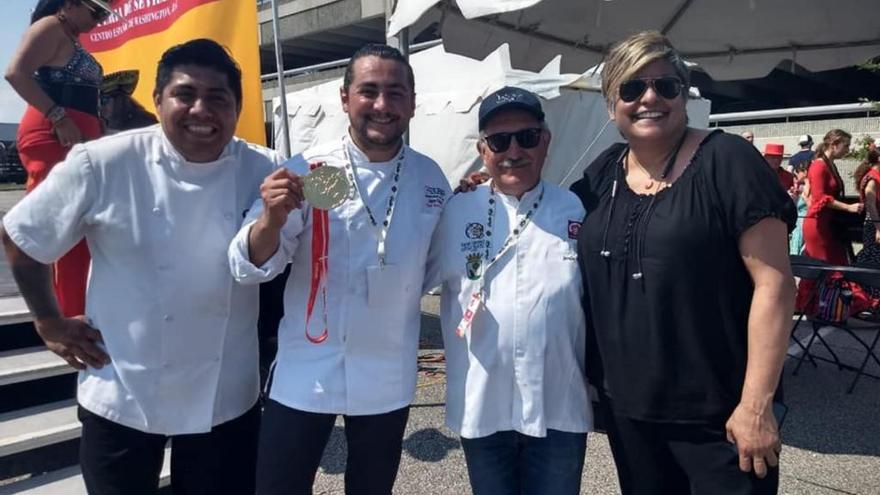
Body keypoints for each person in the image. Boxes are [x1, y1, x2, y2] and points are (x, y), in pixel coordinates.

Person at [1, 39, 278, 495]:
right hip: (122, 391)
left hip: (225, 393)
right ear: (158, 99)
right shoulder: (103, 162)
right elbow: (19, 236)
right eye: (185, 95)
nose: (200, 110)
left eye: (217, 98)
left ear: (238, 106)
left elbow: (323, 208)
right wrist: (48, 320)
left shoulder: (262, 167)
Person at [571, 31, 796, 494]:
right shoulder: (602, 174)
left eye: (666, 85)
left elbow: (775, 286)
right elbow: (545, 218)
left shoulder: (727, 160)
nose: (649, 97)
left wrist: (756, 405)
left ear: (685, 94)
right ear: (612, 104)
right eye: (632, 88)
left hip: (720, 418)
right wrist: (487, 191)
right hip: (629, 413)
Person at [228, 44, 451, 495]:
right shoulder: (306, 170)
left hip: (387, 372)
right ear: (344, 97)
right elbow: (248, 265)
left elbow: (431, 268)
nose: (382, 106)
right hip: (305, 370)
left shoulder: (432, 180)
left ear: (412, 101)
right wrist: (270, 219)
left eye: (395, 93)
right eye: (369, 91)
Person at [425, 86, 592, 495]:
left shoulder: (577, 209)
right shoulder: (454, 210)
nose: (513, 150)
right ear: (483, 150)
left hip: (558, 406)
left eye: (527, 137)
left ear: (546, 140)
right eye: (500, 141)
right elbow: (406, 277)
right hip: (483, 410)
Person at [4, 0, 115, 317]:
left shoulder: (68, 36)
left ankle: (75, 307)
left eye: (105, 15)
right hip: (55, 134)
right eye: (96, 12)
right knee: (59, 223)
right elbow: (15, 73)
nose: (100, 21)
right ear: (70, 4)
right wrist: (58, 117)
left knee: (78, 225)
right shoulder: (51, 26)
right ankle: (64, 313)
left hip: (76, 133)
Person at [802, 129, 862, 266]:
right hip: (818, 225)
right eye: (845, 145)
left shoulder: (829, 165)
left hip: (828, 223)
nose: (848, 150)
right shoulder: (819, 166)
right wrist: (849, 207)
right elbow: (820, 197)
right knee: (821, 271)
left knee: (837, 266)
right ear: (834, 145)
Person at [855, 150, 880, 272]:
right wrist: (878, 228)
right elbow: (871, 205)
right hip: (874, 225)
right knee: (874, 263)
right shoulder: (872, 179)